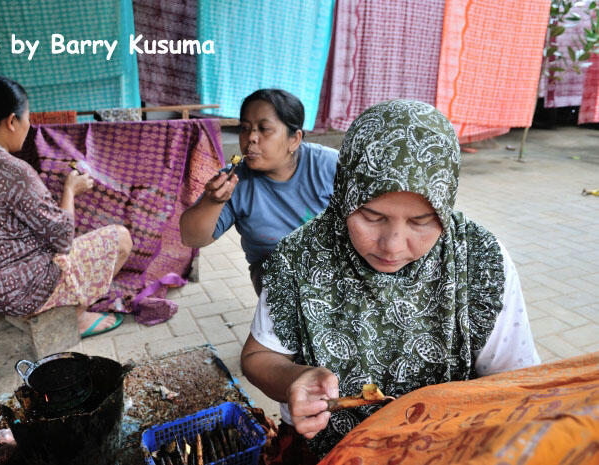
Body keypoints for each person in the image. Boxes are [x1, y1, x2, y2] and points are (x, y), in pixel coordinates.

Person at [240, 100, 541, 462]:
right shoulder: (298, 257)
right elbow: (259, 357)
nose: (393, 245)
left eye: (421, 221)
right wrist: (293, 380)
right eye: (371, 215)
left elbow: (517, 382)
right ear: (345, 193)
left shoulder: (479, 259)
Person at [0, 75, 132, 337]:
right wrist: (70, 190)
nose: (29, 126)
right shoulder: (14, 171)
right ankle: (77, 317)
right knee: (121, 238)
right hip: (17, 295)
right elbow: (63, 239)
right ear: (11, 121)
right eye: (28, 118)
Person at [179, 89, 338, 295]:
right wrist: (211, 202)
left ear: (294, 139)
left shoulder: (329, 165)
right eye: (245, 128)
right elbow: (191, 238)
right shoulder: (234, 180)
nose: (251, 138)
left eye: (264, 129)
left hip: (333, 264)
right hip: (274, 276)